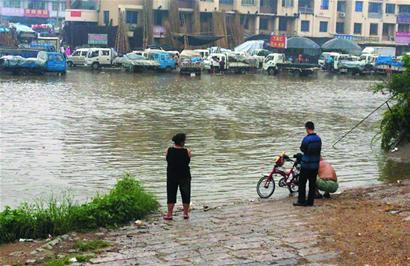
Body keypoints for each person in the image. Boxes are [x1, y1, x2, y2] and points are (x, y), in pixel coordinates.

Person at [164, 133, 192, 220]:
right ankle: (185, 214)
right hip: (185, 175)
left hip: (172, 176)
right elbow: (188, 160)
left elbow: (167, 159)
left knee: (171, 194)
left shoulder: (168, 150)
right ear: (181, 142)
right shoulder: (187, 151)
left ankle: (169, 214)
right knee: (186, 194)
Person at [294, 121, 322, 207]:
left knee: (302, 183)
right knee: (312, 184)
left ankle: (301, 201)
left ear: (307, 128)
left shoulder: (306, 139)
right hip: (315, 165)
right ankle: (310, 202)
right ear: (313, 128)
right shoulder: (318, 139)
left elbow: (302, 149)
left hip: (306, 165)